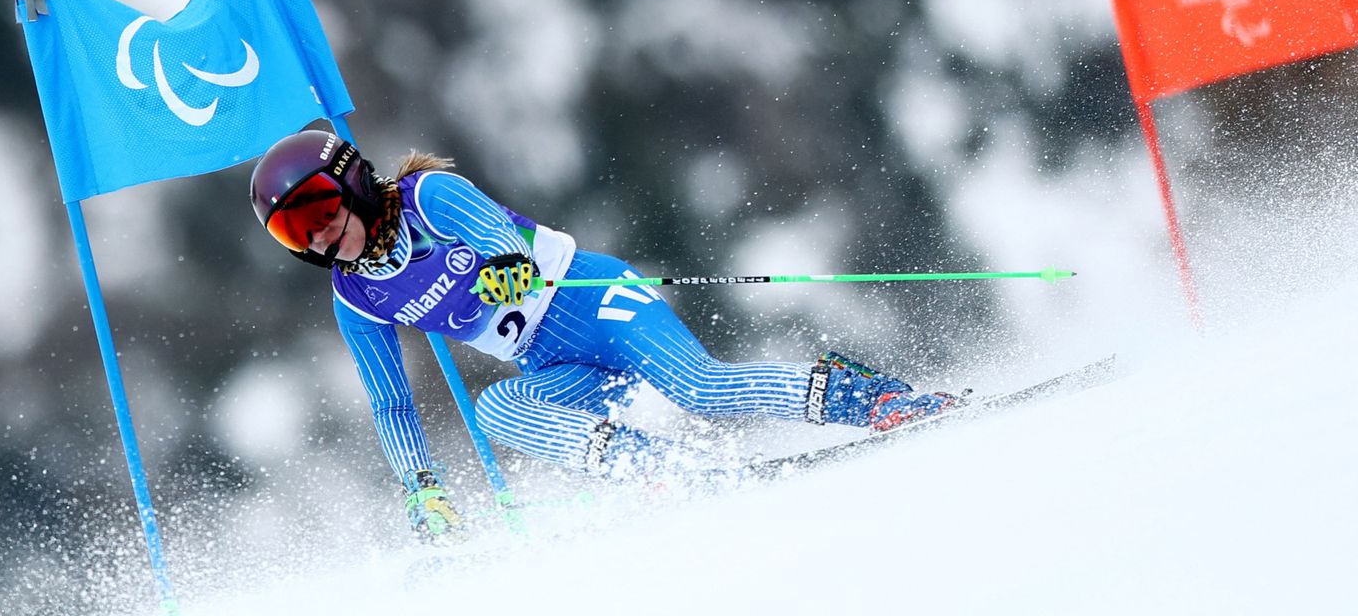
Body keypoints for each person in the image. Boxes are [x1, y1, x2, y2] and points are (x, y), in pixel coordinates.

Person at [248, 123, 961, 542]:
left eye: (317, 210)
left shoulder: (430, 197)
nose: (317, 238)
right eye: (293, 231)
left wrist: (507, 270)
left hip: (590, 299)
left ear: (354, 182)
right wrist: (419, 485)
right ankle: (657, 468)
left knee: (698, 387)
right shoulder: (357, 298)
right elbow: (392, 404)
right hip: (546, 357)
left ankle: (870, 400)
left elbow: (504, 240)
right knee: (498, 409)